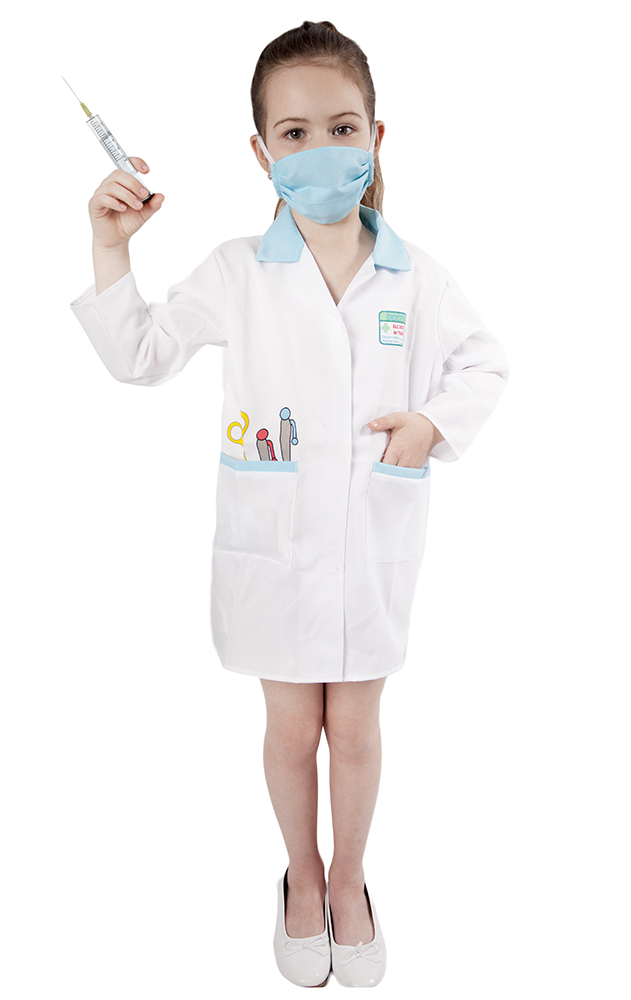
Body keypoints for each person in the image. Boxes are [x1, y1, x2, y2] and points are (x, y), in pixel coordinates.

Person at [70, 20, 509, 989]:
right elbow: (139, 355)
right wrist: (109, 248)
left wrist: (429, 427)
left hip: (370, 545)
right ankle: (299, 876)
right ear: (262, 152)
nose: (320, 149)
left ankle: (349, 879)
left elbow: (483, 364)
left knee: (352, 729)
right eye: (295, 134)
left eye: (341, 127)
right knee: (288, 729)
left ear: (375, 138)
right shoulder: (239, 271)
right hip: (270, 548)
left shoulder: (416, 276)